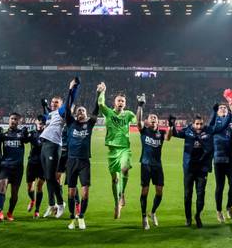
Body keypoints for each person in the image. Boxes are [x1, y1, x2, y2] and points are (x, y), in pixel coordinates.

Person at [97, 81, 138, 219]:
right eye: (119, 100)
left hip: (125, 149)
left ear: (125, 104)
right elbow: (100, 104)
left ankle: (122, 195)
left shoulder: (128, 114)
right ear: (115, 102)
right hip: (113, 151)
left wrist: (140, 109)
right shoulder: (108, 113)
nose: (121, 102)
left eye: (123, 101)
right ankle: (117, 203)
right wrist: (102, 91)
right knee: (115, 179)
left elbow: (137, 120)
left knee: (125, 170)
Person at [40, 78, 79, 219]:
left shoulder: (62, 112)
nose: (53, 103)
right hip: (44, 146)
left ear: (61, 105)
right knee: (47, 177)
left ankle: (60, 203)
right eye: (52, 102)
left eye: (56, 102)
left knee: (51, 177)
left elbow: (70, 101)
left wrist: (73, 88)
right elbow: (45, 116)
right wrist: (44, 106)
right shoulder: (50, 114)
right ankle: (51, 205)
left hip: (53, 145)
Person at [167, 112, 213, 228]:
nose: (199, 126)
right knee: (188, 194)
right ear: (192, 124)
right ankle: (188, 218)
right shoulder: (188, 130)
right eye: (197, 124)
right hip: (189, 167)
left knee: (201, 193)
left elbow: (219, 127)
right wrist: (171, 124)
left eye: (201, 124)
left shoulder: (208, 130)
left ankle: (197, 215)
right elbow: (175, 134)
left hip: (202, 168)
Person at [64, 87, 99, 230]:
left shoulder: (89, 124)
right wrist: (71, 90)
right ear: (75, 114)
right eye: (78, 111)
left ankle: (82, 216)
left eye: (83, 111)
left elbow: (96, 110)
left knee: (85, 192)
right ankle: (73, 218)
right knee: (71, 192)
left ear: (86, 114)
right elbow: (66, 108)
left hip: (84, 161)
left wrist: (99, 94)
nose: (80, 112)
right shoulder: (70, 123)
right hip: (71, 161)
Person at [207, 96, 232, 223]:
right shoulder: (215, 124)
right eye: (220, 108)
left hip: (231, 159)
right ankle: (218, 211)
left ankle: (229, 206)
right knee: (220, 187)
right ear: (217, 112)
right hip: (218, 160)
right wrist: (228, 113)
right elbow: (214, 127)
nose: (223, 109)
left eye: (225, 108)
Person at [137, 96, 166, 230]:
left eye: (155, 117)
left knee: (159, 192)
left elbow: (170, 137)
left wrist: (171, 125)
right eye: (151, 117)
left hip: (157, 165)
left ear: (158, 122)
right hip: (146, 164)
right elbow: (138, 120)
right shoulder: (144, 131)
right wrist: (140, 106)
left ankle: (152, 212)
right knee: (145, 191)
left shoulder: (162, 133)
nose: (153, 118)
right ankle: (144, 217)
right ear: (147, 121)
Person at [0, 112, 32, 221]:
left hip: (17, 168)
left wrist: (26, 134)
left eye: (16, 119)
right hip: (5, 166)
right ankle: (0, 212)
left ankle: (10, 213)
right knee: (2, 188)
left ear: (19, 121)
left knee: (14, 193)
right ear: (9, 120)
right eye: (12, 118)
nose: (13, 121)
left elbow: (28, 140)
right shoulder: (4, 134)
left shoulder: (21, 134)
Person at [26, 116, 46, 218]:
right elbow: (25, 140)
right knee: (29, 188)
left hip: (43, 163)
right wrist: (25, 134)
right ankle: (32, 200)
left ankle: (37, 210)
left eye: (42, 122)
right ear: (36, 122)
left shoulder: (47, 134)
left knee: (39, 186)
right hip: (32, 163)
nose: (40, 124)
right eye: (39, 122)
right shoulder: (32, 133)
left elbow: (39, 145)